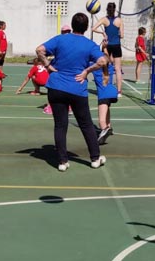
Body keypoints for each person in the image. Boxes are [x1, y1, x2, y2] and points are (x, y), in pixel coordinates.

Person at [36, 12, 108, 171]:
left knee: (60, 125)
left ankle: (62, 162)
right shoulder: (89, 45)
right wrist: (87, 71)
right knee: (86, 124)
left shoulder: (60, 39)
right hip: (77, 88)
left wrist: (48, 66)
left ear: (72, 25)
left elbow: (39, 50)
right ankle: (95, 158)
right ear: (86, 27)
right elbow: (103, 61)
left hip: (56, 87)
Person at [93, 2, 124, 94]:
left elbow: (93, 28)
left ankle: (105, 88)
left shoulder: (104, 19)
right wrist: (116, 33)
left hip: (107, 45)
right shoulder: (119, 20)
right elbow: (122, 35)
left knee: (105, 67)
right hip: (116, 45)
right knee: (117, 69)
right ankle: (119, 91)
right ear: (115, 10)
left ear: (107, 9)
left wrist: (103, 33)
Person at [93, 60, 117, 143]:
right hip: (112, 91)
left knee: (101, 121)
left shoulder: (96, 68)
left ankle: (104, 129)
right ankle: (109, 126)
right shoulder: (110, 66)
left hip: (104, 93)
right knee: (107, 109)